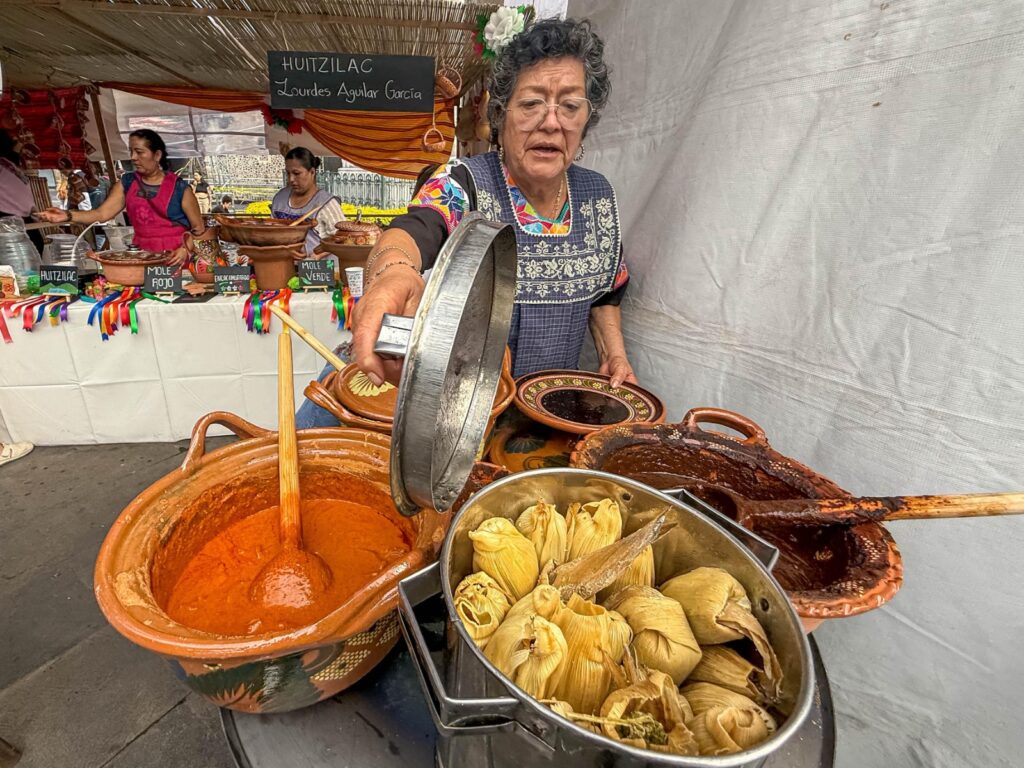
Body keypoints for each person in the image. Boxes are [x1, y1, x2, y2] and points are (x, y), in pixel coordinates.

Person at [295, 18, 635, 429]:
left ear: (586, 119)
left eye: (569, 105)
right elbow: (415, 228)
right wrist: (393, 272)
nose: (551, 122)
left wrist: (613, 354)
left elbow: (607, 291)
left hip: (548, 419)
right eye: (531, 103)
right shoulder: (463, 183)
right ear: (501, 113)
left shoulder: (598, 195)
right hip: (457, 413)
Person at [36, 129, 205, 264]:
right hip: (142, 257)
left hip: (176, 258)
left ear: (157, 155)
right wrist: (67, 215)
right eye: (131, 151)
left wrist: (185, 249)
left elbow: (199, 230)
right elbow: (101, 214)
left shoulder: (180, 188)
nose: (133, 158)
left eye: (139, 152)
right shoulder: (127, 183)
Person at [271, 147, 345, 256]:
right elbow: (272, 232)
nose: (291, 179)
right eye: (288, 173)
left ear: (312, 172)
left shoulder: (326, 203)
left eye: (296, 173)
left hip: (319, 265)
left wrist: (317, 255)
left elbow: (342, 239)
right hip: (283, 262)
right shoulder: (279, 199)